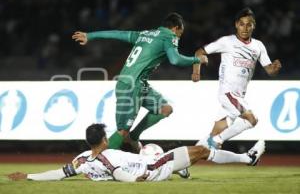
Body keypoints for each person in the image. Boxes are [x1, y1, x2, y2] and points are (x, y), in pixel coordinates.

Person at [72, 12, 208, 153]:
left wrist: (90, 36)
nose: (180, 35)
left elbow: (117, 34)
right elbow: (175, 60)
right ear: (175, 27)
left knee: (165, 109)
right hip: (131, 86)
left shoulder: (145, 34)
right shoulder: (169, 36)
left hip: (138, 84)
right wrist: (197, 60)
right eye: (181, 31)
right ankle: (96, 162)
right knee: (122, 131)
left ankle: (133, 137)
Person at [8, 123, 265, 182]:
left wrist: (30, 176)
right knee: (202, 150)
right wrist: (136, 180)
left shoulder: (81, 160)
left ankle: (184, 168)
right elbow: (117, 172)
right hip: (153, 167)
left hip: (149, 161)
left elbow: (61, 173)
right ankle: (248, 159)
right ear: (104, 140)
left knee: (192, 152)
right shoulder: (106, 156)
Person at [192, 8, 282, 149]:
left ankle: (185, 162)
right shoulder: (227, 41)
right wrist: (196, 71)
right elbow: (200, 52)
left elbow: (269, 70)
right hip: (228, 93)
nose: (245, 28)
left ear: (254, 25)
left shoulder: (258, 46)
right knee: (252, 119)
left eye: (249, 24)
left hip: (239, 96)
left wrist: (275, 69)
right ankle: (218, 140)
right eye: (241, 24)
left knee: (212, 134)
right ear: (236, 25)